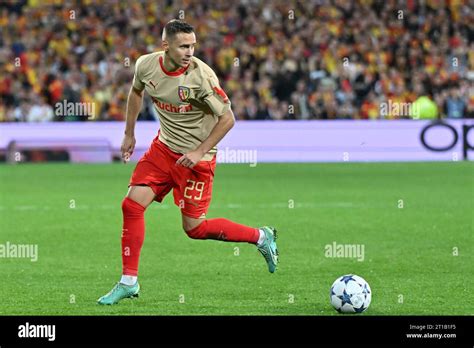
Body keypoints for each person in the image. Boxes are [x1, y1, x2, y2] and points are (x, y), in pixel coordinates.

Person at [97, 20, 279, 305]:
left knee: (194, 229)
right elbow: (136, 91)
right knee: (131, 205)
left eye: (193, 45)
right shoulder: (146, 65)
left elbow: (228, 118)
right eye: (184, 46)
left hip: (197, 159)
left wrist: (199, 151)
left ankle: (260, 237)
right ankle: (128, 281)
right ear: (165, 46)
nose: (190, 51)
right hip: (164, 149)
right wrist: (129, 133)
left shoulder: (202, 77)